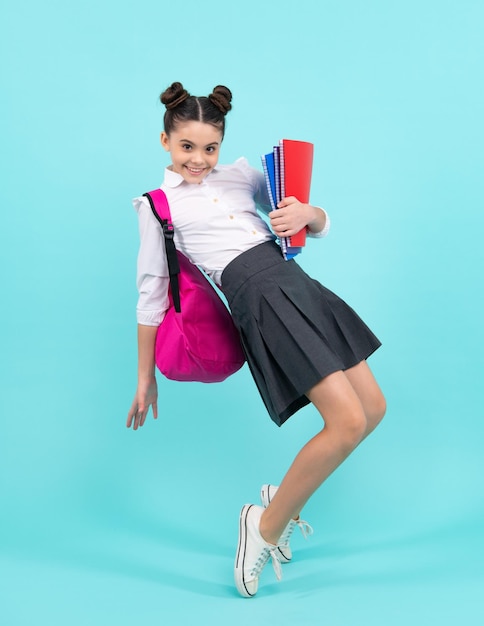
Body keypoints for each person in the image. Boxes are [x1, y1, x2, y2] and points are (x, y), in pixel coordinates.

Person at [127, 82, 386, 598]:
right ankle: (262, 526)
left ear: (220, 146)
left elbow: (306, 219)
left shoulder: (243, 176)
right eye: (186, 147)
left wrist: (309, 216)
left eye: (209, 148)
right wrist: (145, 375)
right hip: (261, 302)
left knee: (372, 409)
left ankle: (281, 502)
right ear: (164, 142)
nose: (198, 159)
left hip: (299, 287)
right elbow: (152, 293)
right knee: (347, 419)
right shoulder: (156, 207)